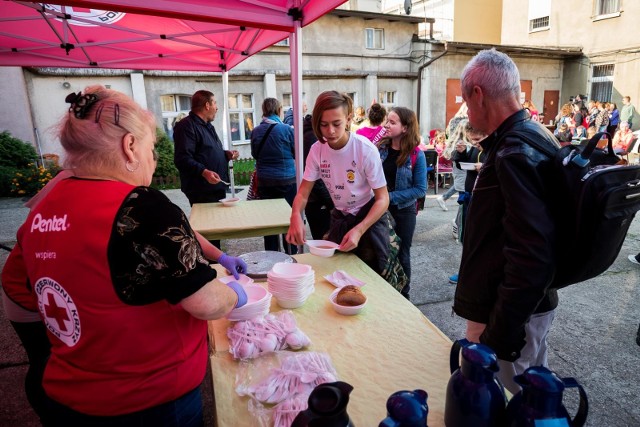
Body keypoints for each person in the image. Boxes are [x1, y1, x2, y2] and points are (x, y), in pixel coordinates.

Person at [1, 86, 249, 426]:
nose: (153, 160)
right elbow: (206, 304)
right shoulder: (143, 205)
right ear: (129, 146)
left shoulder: (46, 204)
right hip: (148, 401)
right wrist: (232, 293)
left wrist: (219, 256)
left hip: (70, 393)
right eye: (150, 150)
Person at [453, 49, 561, 394]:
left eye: (467, 103)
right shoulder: (536, 135)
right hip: (528, 308)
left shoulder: (514, 152)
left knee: (506, 403)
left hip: (507, 315)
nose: (467, 112)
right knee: (533, 396)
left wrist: (499, 334)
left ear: (479, 95)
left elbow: (532, 254)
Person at [286, 91, 407, 292]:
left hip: (370, 218)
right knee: (339, 279)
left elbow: (383, 199)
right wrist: (295, 216)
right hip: (341, 217)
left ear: (349, 119)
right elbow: (303, 193)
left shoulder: (365, 150)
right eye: (324, 124)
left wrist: (359, 229)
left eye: (336, 123)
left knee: (374, 281)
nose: (330, 131)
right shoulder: (317, 150)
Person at [377, 107, 427, 299]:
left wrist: (390, 197)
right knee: (381, 252)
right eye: (386, 121)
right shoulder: (380, 148)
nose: (386, 125)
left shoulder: (416, 155)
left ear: (405, 128)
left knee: (402, 254)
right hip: (379, 211)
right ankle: (385, 293)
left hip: (403, 212)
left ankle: (403, 295)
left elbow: (420, 189)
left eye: (392, 122)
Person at [173, 90, 239, 206]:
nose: (217, 108)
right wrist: (204, 172)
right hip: (201, 190)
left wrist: (225, 155)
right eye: (215, 103)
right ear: (207, 105)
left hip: (215, 187)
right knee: (207, 223)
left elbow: (207, 151)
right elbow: (182, 158)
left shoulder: (207, 125)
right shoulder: (186, 126)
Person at [250, 97, 297, 254]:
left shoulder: (256, 131)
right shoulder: (286, 130)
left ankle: (271, 254)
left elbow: (254, 154)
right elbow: (295, 152)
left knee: (269, 221)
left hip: (265, 182)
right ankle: (291, 252)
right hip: (287, 181)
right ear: (278, 110)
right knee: (288, 218)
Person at [302, 113, 335, 240]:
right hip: (319, 201)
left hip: (314, 201)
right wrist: (331, 204)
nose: (331, 130)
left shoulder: (305, 134)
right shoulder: (315, 141)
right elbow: (317, 180)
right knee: (325, 241)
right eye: (325, 125)